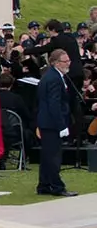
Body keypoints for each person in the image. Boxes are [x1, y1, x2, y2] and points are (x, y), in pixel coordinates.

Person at [37, 48, 74, 197]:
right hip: (51, 123)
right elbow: (54, 104)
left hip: (47, 121)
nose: (68, 64)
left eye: (68, 61)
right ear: (56, 63)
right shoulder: (53, 78)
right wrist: (61, 125)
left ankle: (44, 185)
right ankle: (57, 186)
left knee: (47, 156)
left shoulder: (53, 76)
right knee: (53, 156)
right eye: (65, 61)